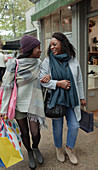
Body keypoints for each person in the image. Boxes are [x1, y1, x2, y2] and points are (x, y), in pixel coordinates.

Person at [0, 35, 50, 169]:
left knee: (36, 133)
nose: (40, 50)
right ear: (29, 49)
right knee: (24, 132)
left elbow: (45, 80)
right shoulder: (14, 64)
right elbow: (6, 87)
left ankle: (35, 148)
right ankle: (29, 152)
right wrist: (3, 110)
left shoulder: (39, 63)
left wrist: (47, 78)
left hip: (34, 103)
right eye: (37, 48)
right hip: (18, 105)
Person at [39, 32, 86, 165]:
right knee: (57, 126)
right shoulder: (47, 61)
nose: (52, 47)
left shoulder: (72, 59)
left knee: (74, 125)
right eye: (51, 45)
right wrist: (58, 83)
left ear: (62, 44)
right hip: (56, 99)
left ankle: (69, 149)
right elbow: (42, 81)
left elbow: (79, 80)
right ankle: (58, 148)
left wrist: (82, 96)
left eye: (55, 44)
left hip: (71, 98)